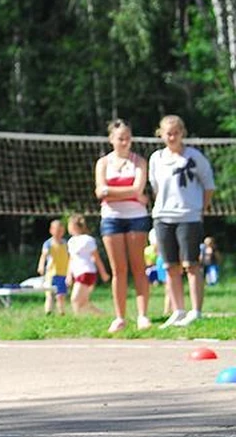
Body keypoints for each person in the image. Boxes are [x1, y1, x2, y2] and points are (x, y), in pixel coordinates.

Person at [149, 115, 215, 328]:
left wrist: (200, 209)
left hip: (189, 216)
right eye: (168, 133)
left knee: (191, 265)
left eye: (176, 133)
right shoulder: (156, 158)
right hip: (163, 217)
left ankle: (196, 311)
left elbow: (209, 185)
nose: (172, 137)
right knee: (170, 266)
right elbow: (155, 187)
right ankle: (178, 311)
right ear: (161, 134)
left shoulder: (194, 157)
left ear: (182, 133)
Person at [93, 119, 151, 333]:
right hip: (111, 218)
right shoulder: (103, 163)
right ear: (111, 139)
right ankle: (120, 317)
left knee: (139, 267)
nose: (125, 142)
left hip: (136, 217)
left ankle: (143, 315)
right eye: (120, 138)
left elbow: (138, 188)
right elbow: (100, 192)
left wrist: (111, 191)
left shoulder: (139, 162)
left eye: (128, 138)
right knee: (119, 270)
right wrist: (128, 193)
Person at [66, 214, 110, 315]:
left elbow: (96, 258)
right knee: (83, 302)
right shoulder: (71, 241)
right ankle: (102, 315)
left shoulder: (87, 240)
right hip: (78, 273)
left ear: (74, 226)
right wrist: (69, 275)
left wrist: (103, 273)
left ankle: (77, 321)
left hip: (87, 272)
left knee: (75, 299)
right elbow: (71, 259)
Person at [36, 219, 69, 315]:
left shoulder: (66, 243)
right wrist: (41, 266)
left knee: (61, 295)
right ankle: (48, 312)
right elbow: (44, 256)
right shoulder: (48, 243)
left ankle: (61, 312)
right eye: (57, 230)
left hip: (63, 273)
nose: (59, 233)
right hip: (51, 273)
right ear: (51, 230)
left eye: (61, 231)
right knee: (49, 294)